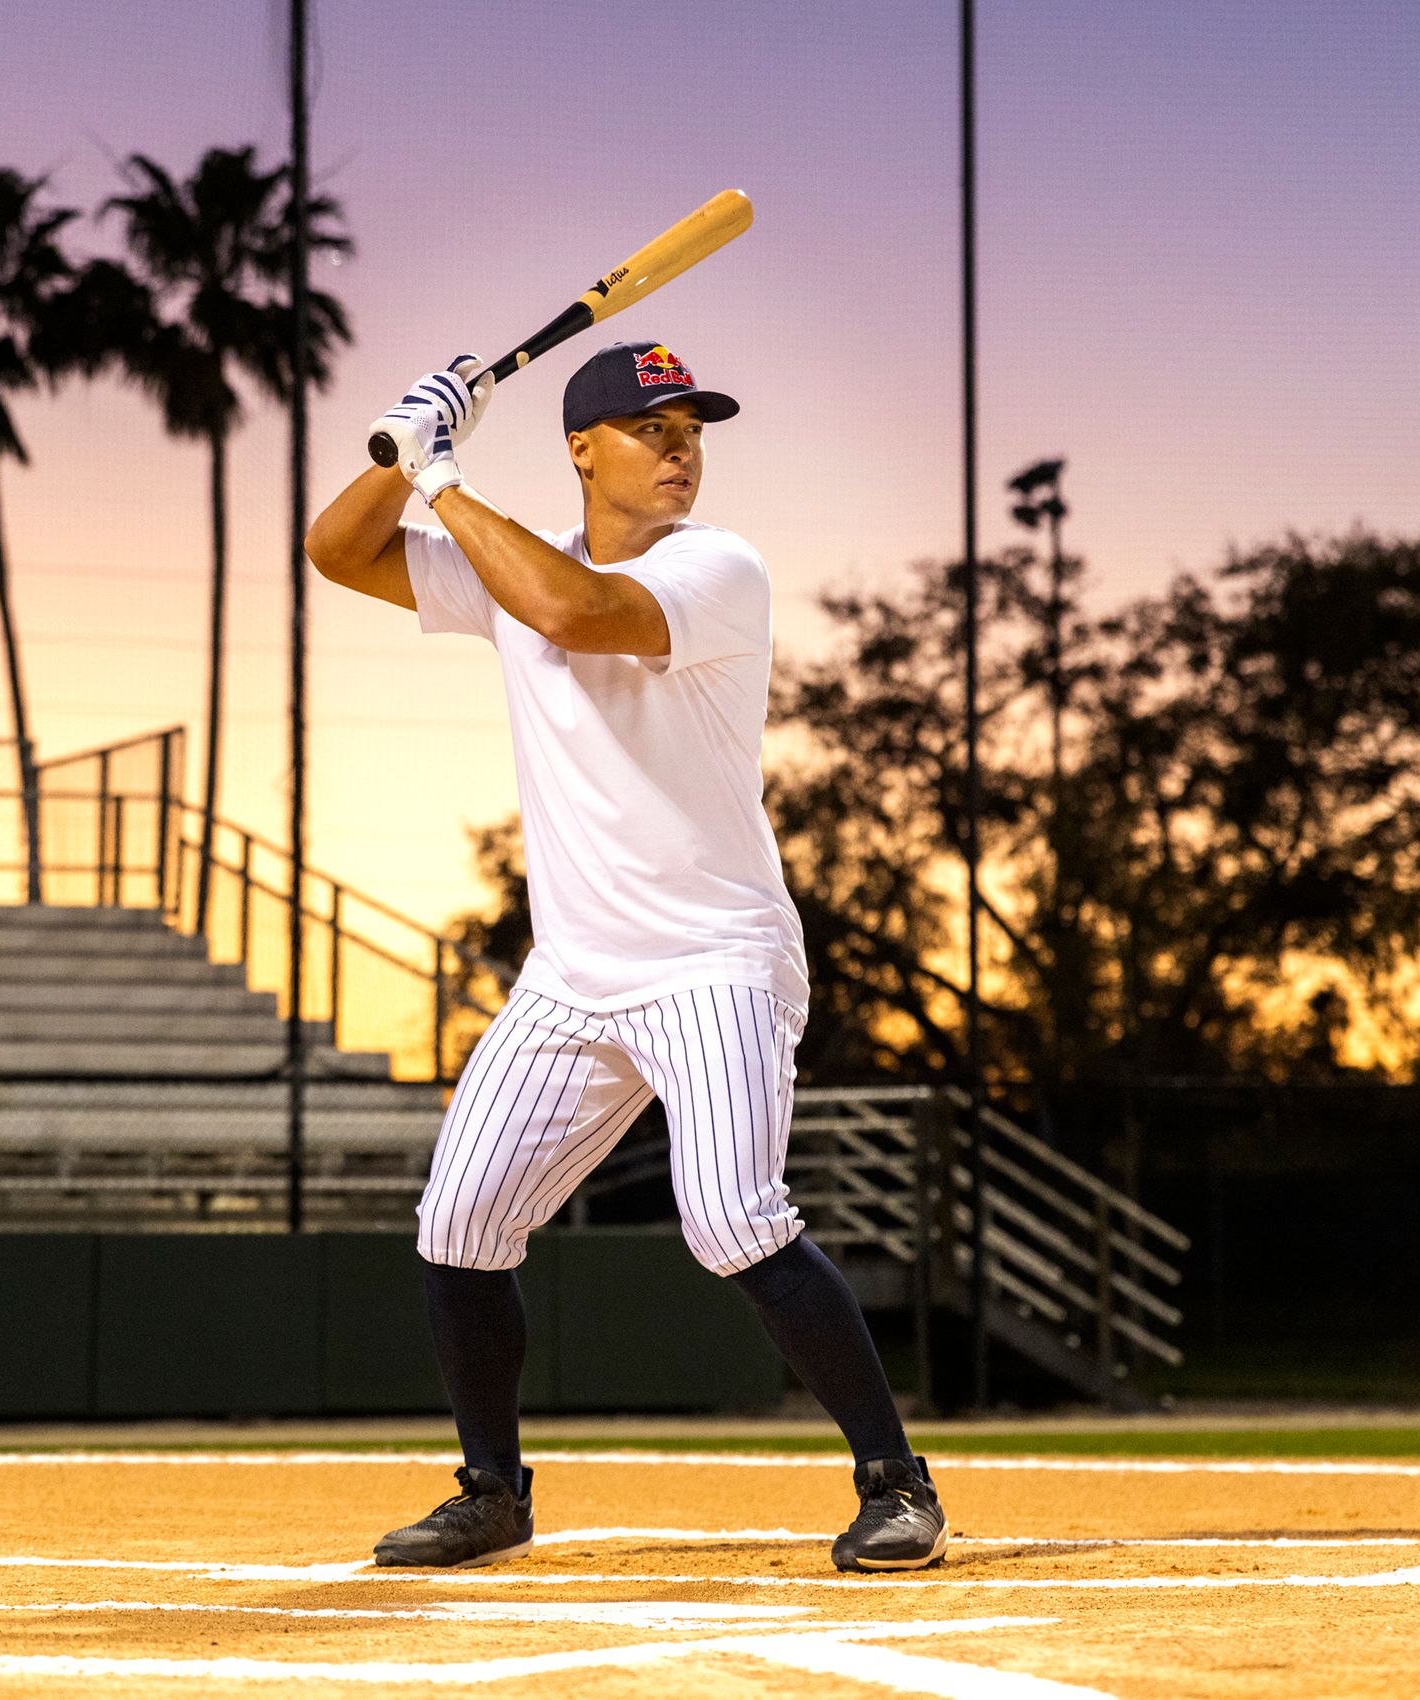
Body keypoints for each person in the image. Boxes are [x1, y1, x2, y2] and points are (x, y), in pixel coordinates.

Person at [302, 343, 949, 1574]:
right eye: (653, 428)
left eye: (693, 428)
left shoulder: (714, 566)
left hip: (712, 954)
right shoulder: (503, 560)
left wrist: (441, 478)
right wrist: (399, 450)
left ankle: (896, 1482)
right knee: (461, 1222)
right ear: (582, 448)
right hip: (573, 974)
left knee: (731, 1217)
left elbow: (574, 611)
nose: (682, 448)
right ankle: (491, 1489)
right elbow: (336, 554)